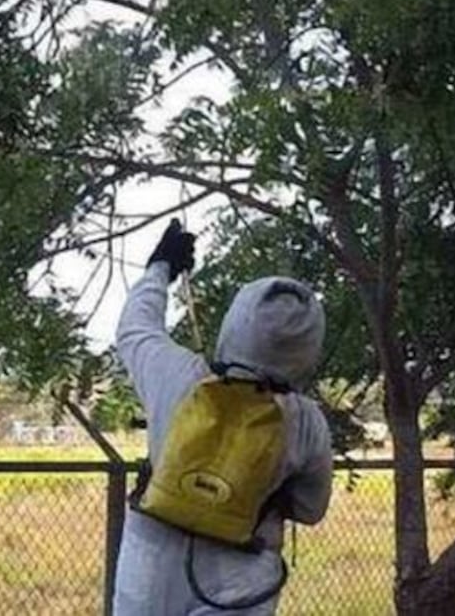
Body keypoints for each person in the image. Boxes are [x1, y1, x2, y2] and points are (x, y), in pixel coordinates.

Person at [113, 220, 335, 615]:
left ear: (238, 319)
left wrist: (160, 267)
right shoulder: (305, 422)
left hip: (150, 561)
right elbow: (310, 509)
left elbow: (135, 328)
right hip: (244, 573)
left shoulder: (177, 376)